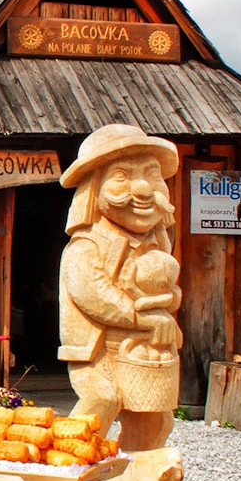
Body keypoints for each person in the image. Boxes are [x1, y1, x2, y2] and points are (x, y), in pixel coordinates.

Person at [58, 124, 182, 452]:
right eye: (122, 176)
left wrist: (169, 300)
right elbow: (93, 293)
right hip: (96, 353)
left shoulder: (157, 243)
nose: (142, 190)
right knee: (102, 400)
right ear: (92, 188)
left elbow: (166, 290)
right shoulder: (87, 245)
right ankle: (68, 466)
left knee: (156, 418)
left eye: (152, 174)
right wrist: (142, 317)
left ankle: (140, 478)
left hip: (144, 352)